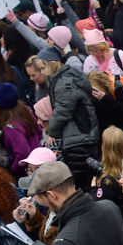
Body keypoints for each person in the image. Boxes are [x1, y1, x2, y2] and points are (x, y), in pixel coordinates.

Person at [45, 55, 100, 189]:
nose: (42, 73)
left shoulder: (65, 83)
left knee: (84, 180)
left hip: (78, 137)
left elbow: (63, 110)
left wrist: (52, 131)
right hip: (81, 134)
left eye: (42, 68)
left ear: (53, 64)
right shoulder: (71, 77)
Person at [0, 82, 41, 177]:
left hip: (26, 172)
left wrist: (13, 170)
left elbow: (23, 153)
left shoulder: (11, 128)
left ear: (1, 103)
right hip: (39, 162)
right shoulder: (25, 111)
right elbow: (39, 132)